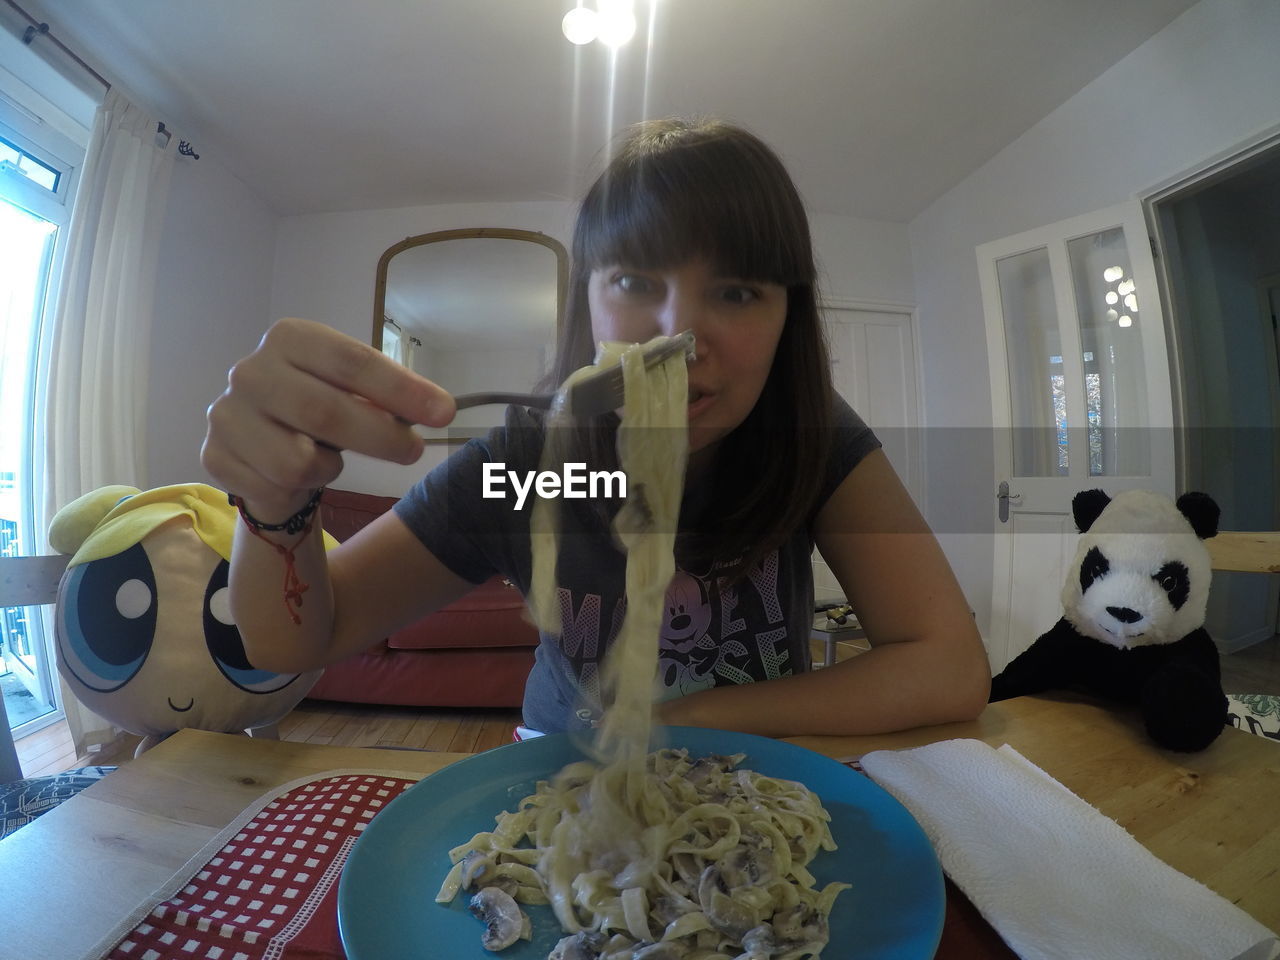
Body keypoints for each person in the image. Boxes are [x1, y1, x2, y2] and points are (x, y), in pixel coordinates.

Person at [201, 118, 990, 738]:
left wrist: (684, 724)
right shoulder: (526, 463)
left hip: (753, 774)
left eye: (740, 292)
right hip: (566, 789)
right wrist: (276, 506)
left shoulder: (811, 439)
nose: (680, 334)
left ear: (790, 318)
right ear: (589, 304)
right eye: (638, 280)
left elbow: (949, 666)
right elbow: (294, 642)